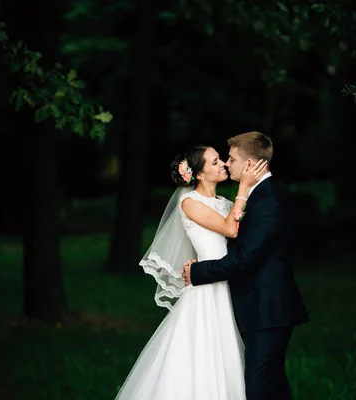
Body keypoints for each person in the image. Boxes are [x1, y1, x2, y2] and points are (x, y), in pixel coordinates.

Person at [115, 144, 267, 400]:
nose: (223, 165)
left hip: (223, 281)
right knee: (201, 353)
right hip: (206, 288)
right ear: (199, 174)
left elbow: (232, 240)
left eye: (221, 159)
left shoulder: (224, 203)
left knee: (225, 351)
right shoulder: (190, 202)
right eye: (215, 161)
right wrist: (244, 187)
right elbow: (230, 229)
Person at [182, 132, 309, 399]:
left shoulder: (268, 201)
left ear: (250, 164)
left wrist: (198, 272)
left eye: (231, 158)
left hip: (268, 309)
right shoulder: (257, 196)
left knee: (260, 387)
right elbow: (238, 243)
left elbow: (244, 258)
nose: (227, 164)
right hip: (254, 307)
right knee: (269, 385)